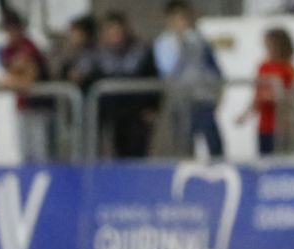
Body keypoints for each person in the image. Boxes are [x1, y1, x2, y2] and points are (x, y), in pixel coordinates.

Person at [154, 0, 224, 159]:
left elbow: (213, 69)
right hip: (180, 99)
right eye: (176, 18)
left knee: (212, 140)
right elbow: (167, 70)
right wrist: (180, 46)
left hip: (202, 97)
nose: (180, 22)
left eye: (183, 18)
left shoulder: (199, 40)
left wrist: (218, 93)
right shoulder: (163, 43)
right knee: (184, 141)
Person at [95, 11, 158, 160]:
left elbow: (153, 79)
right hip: (110, 115)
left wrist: (152, 107)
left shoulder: (141, 51)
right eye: (110, 30)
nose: (114, 34)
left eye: (117, 30)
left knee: (135, 153)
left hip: (136, 114)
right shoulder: (100, 54)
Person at [0, 9, 54, 163]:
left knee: (40, 149)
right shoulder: (8, 50)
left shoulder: (29, 47)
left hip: (39, 104)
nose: (11, 33)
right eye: (8, 29)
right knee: (25, 149)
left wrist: (13, 80)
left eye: (14, 28)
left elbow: (29, 77)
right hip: (23, 104)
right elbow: (9, 74)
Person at [241, 27, 294, 156]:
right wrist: (246, 113)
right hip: (265, 125)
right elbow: (257, 95)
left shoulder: (288, 69)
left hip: (282, 125)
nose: (268, 49)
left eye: (271, 45)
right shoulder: (263, 66)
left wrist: (275, 97)